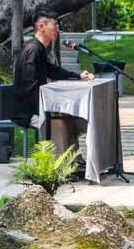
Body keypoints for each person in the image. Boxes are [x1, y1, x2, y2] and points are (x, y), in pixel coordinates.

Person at [13, 9, 94, 150]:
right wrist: (48, 109)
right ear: (42, 27)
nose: (57, 29)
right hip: (27, 112)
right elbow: (29, 86)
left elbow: (53, 71)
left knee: (69, 118)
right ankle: (62, 161)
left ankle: (73, 160)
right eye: (55, 25)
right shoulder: (33, 50)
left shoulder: (39, 49)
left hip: (37, 107)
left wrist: (78, 76)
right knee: (60, 121)